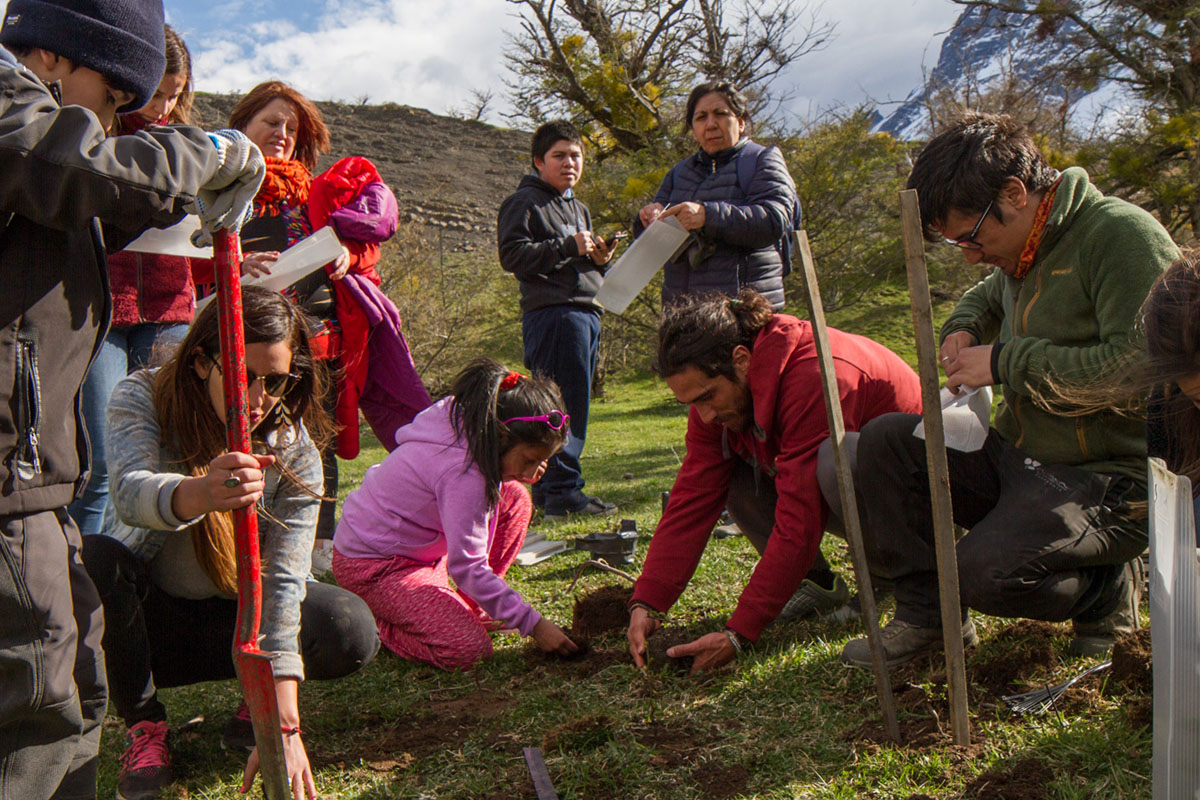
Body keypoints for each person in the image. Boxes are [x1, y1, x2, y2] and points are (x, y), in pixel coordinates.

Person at [0, 1, 263, 797]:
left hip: (30, 474)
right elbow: (77, 166)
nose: (113, 125)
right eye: (115, 102)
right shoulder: (12, 113)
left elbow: (80, 200)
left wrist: (182, 196)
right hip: (7, 477)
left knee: (72, 675)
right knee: (38, 698)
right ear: (56, 57)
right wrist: (209, 150)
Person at [840, 112, 1179, 670]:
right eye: (957, 245)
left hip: (1111, 478)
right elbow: (990, 292)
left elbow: (1140, 367)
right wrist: (964, 327)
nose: (970, 254)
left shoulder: (1120, 236)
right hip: (1028, 460)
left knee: (983, 572)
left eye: (972, 237)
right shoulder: (1028, 244)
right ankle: (927, 620)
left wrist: (1004, 360)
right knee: (886, 442)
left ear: (1015, 193)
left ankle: (1106, 590)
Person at [82, 286, 380, 800]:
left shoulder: (294, 450)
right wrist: (199, 492)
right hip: (156, 628)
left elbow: (284, 581)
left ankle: (254, 707)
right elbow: (129, 495)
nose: (260, 399)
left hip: (240, 625)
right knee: (94, 561)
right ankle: (144, 725)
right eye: (245, 377)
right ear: (202, 361)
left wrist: (283, 725)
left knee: (348, 628)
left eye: (277, 380)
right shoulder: (142, 394)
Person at [625, 290, 923, 674]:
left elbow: (800, 516)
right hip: (851, 491)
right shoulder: (721, 398)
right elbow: (692, 497)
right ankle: (815, 583)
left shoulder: (816, 374)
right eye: (692, 404)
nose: (704, 414)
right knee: (728, 470)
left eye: (708, 397)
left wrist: (740, 631)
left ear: (742, 360)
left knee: (836, 461)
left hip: (921, 500)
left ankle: (889, 574)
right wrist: (647, 600)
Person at [69, 25, 278, 535]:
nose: (164, 106)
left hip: (170, 310)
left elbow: (196, 243)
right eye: (157, 91)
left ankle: (150, 562)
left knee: (176, 446)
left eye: (175, 94)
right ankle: (92, 562)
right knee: (99, 453)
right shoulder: (99, 139)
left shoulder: (190, 148)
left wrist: (231, 263)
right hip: (101, 309)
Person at [226, 81, 426, 548]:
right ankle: (242, 539)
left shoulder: (315, 194)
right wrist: (235, 266)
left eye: (291, 127)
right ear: (243, 125)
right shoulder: (223, 193)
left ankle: (315, 544)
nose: (282, 133)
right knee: (249, 439)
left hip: (320, 341)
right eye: (271, 122)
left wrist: (348, 257)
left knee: (319, 443)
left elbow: (367, 240)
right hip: (248, 341)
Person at [333, 358, 580, 671]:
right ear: (501, 437)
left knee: (515, 497)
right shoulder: (463, 473)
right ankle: (378, 624)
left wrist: (522, 467)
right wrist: (534, 625)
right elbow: (468, 566)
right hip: (377, 567)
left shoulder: (469, 423)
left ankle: (470, 605)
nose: (535, 470)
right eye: (530, 459)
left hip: (422, 555)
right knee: (469, 650)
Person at [497, 120, 618, 520]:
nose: (570, 163)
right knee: (558, 407)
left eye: (576, 156)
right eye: (559, 156)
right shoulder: (523, 202)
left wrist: (599, 258)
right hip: (553, 314)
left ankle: (556, 492)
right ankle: (562, 493)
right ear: (538, 161)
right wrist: (566, 245)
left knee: (575, 406)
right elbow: (512, 257)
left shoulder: (577, 207)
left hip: (587, 308)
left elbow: (572, 258)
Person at [634, 82, 798, 309]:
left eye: (720, 114)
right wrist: (646, 221)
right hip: (685, 319)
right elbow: (653, 248)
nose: (710, 124)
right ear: (693, 130)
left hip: (745, 315)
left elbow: (774, 219)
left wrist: (707, 216)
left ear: (741, 122)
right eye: (701, 117)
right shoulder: (678, 173)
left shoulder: (762, 159)